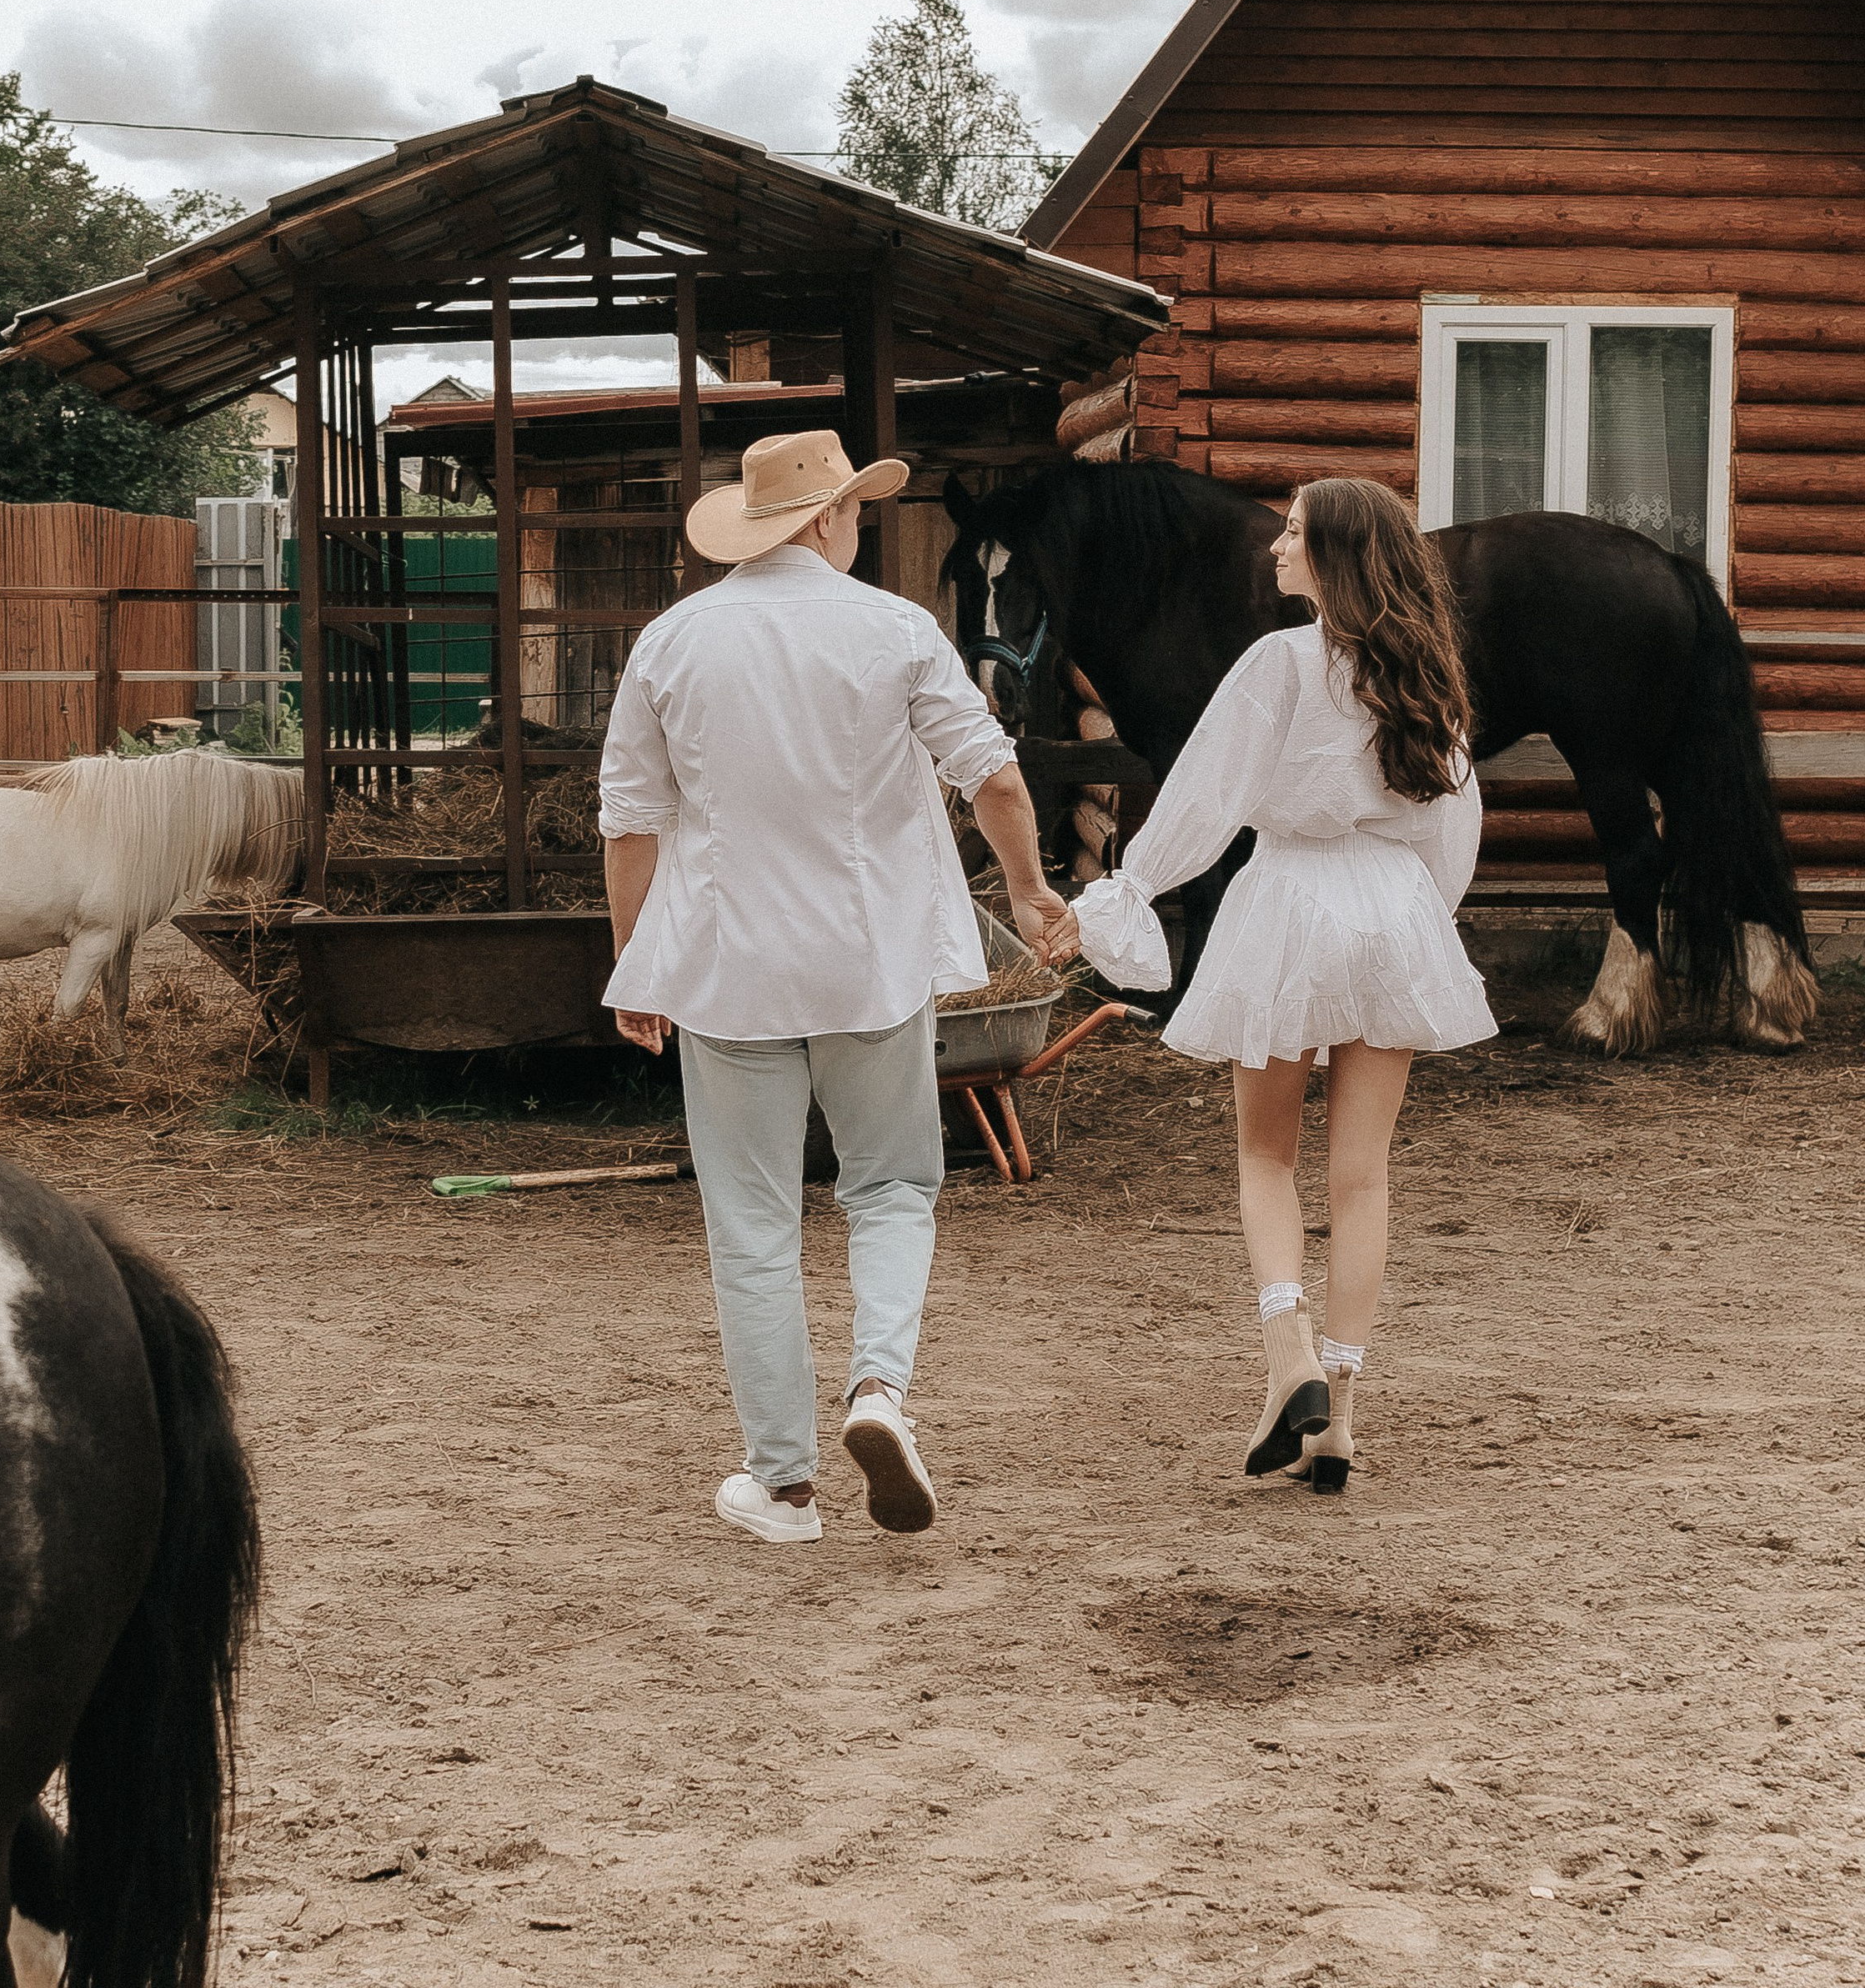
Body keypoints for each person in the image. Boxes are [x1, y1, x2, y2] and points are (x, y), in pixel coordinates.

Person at [599, 428, 1069, 1546]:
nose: (861, 523)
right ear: (823, 520)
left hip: (727, 968)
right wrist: (1033, 887)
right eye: (856, 507)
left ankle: (785, 1489)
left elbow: (631, 823)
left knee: (752, 1223)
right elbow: (993, 777)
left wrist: (636, 964)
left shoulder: (672, 644)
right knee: (895, 1188)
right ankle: (878, 1393)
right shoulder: (894, 631)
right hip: (870, 961)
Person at [1057, 475, 1490, 1493]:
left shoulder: (1279, 664)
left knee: (1264, 1156)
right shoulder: (1427, 674)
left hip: (1291, 900)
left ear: (1334, 556)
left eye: (1292, 534)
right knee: (1363, 1174)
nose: (1274, 549)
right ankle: (1338, 1411)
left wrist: (1124, 891)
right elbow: (1448, 828)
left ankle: (1287, 1352)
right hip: (1394, 907)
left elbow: (1205, 796)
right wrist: (1422, 922)